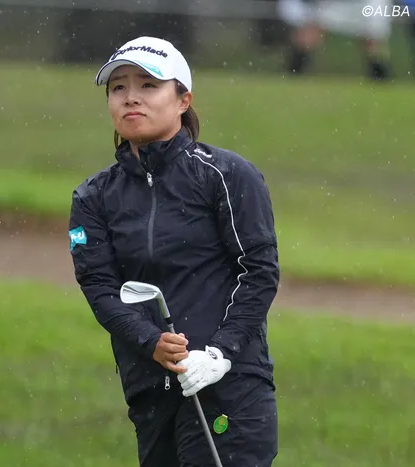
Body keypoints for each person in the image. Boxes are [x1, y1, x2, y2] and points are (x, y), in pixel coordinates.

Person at [68, 36, 281, 466]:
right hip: (150, 389)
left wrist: (219, 353)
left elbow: (258, 271)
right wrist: (150, 342)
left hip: (229, 386)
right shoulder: (93, 196)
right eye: (118, 87)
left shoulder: (226, 175)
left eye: (148, 85)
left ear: (184, 100)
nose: (131, 97)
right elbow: (99, 285)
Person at [277, 0, 394, 80]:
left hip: (365, 3)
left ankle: (380, 80)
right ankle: (294, 75)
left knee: (373, 40)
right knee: (310, 30)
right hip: (333, 3)